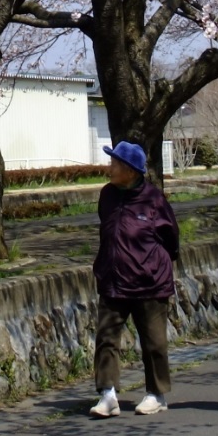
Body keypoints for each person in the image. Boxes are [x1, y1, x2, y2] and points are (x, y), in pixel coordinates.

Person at [89, 141, 180, 418]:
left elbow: (171, 239)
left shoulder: (154, 199)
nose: (110, 167)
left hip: (149, 281)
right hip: (113, 279)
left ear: (129, 170)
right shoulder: (107, 195)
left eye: (114, 163)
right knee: (106, 338)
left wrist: (150, 263)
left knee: (154, 342)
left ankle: (156, 393)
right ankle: (108, 394)